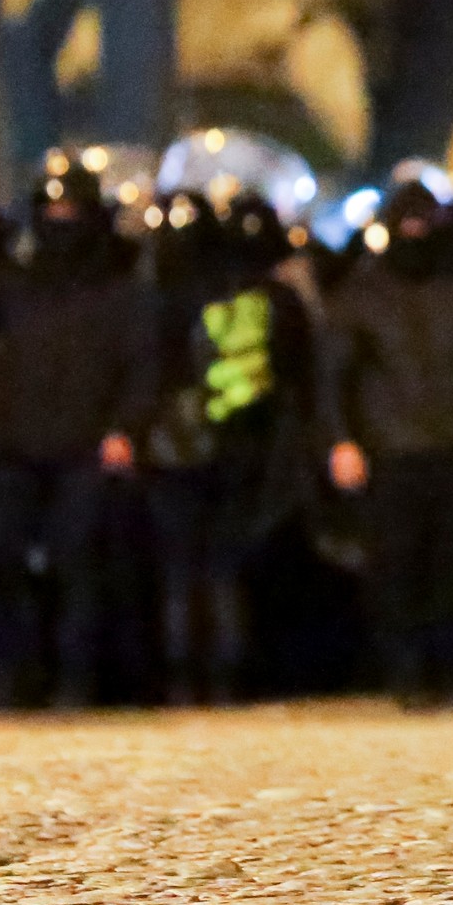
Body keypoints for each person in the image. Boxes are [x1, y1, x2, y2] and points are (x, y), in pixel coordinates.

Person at [0, 162, 156, 709]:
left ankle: (75, 680)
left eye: (69, 212)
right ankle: (18, 673)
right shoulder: (17, 281)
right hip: (17, 442)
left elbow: (142, 368)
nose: (59, 222)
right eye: (50, 212)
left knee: (77, 563)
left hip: (87, 445)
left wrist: (125, 429)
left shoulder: (119, 290)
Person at [321, 180, 453, 705]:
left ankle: (451, 671)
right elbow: (336, 374)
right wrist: (343, 440)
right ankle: (410, 675)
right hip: (392, 450)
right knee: (397, 570)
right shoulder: (363, 294)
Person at [142, 191, 317, 704]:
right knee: (221, 569)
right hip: (238, 444)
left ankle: (187, 679)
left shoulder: (161, 298)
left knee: (184, 571)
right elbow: (294, 376)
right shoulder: (265, 298)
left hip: (179, 447)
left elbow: (146, 374)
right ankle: (223, 677)